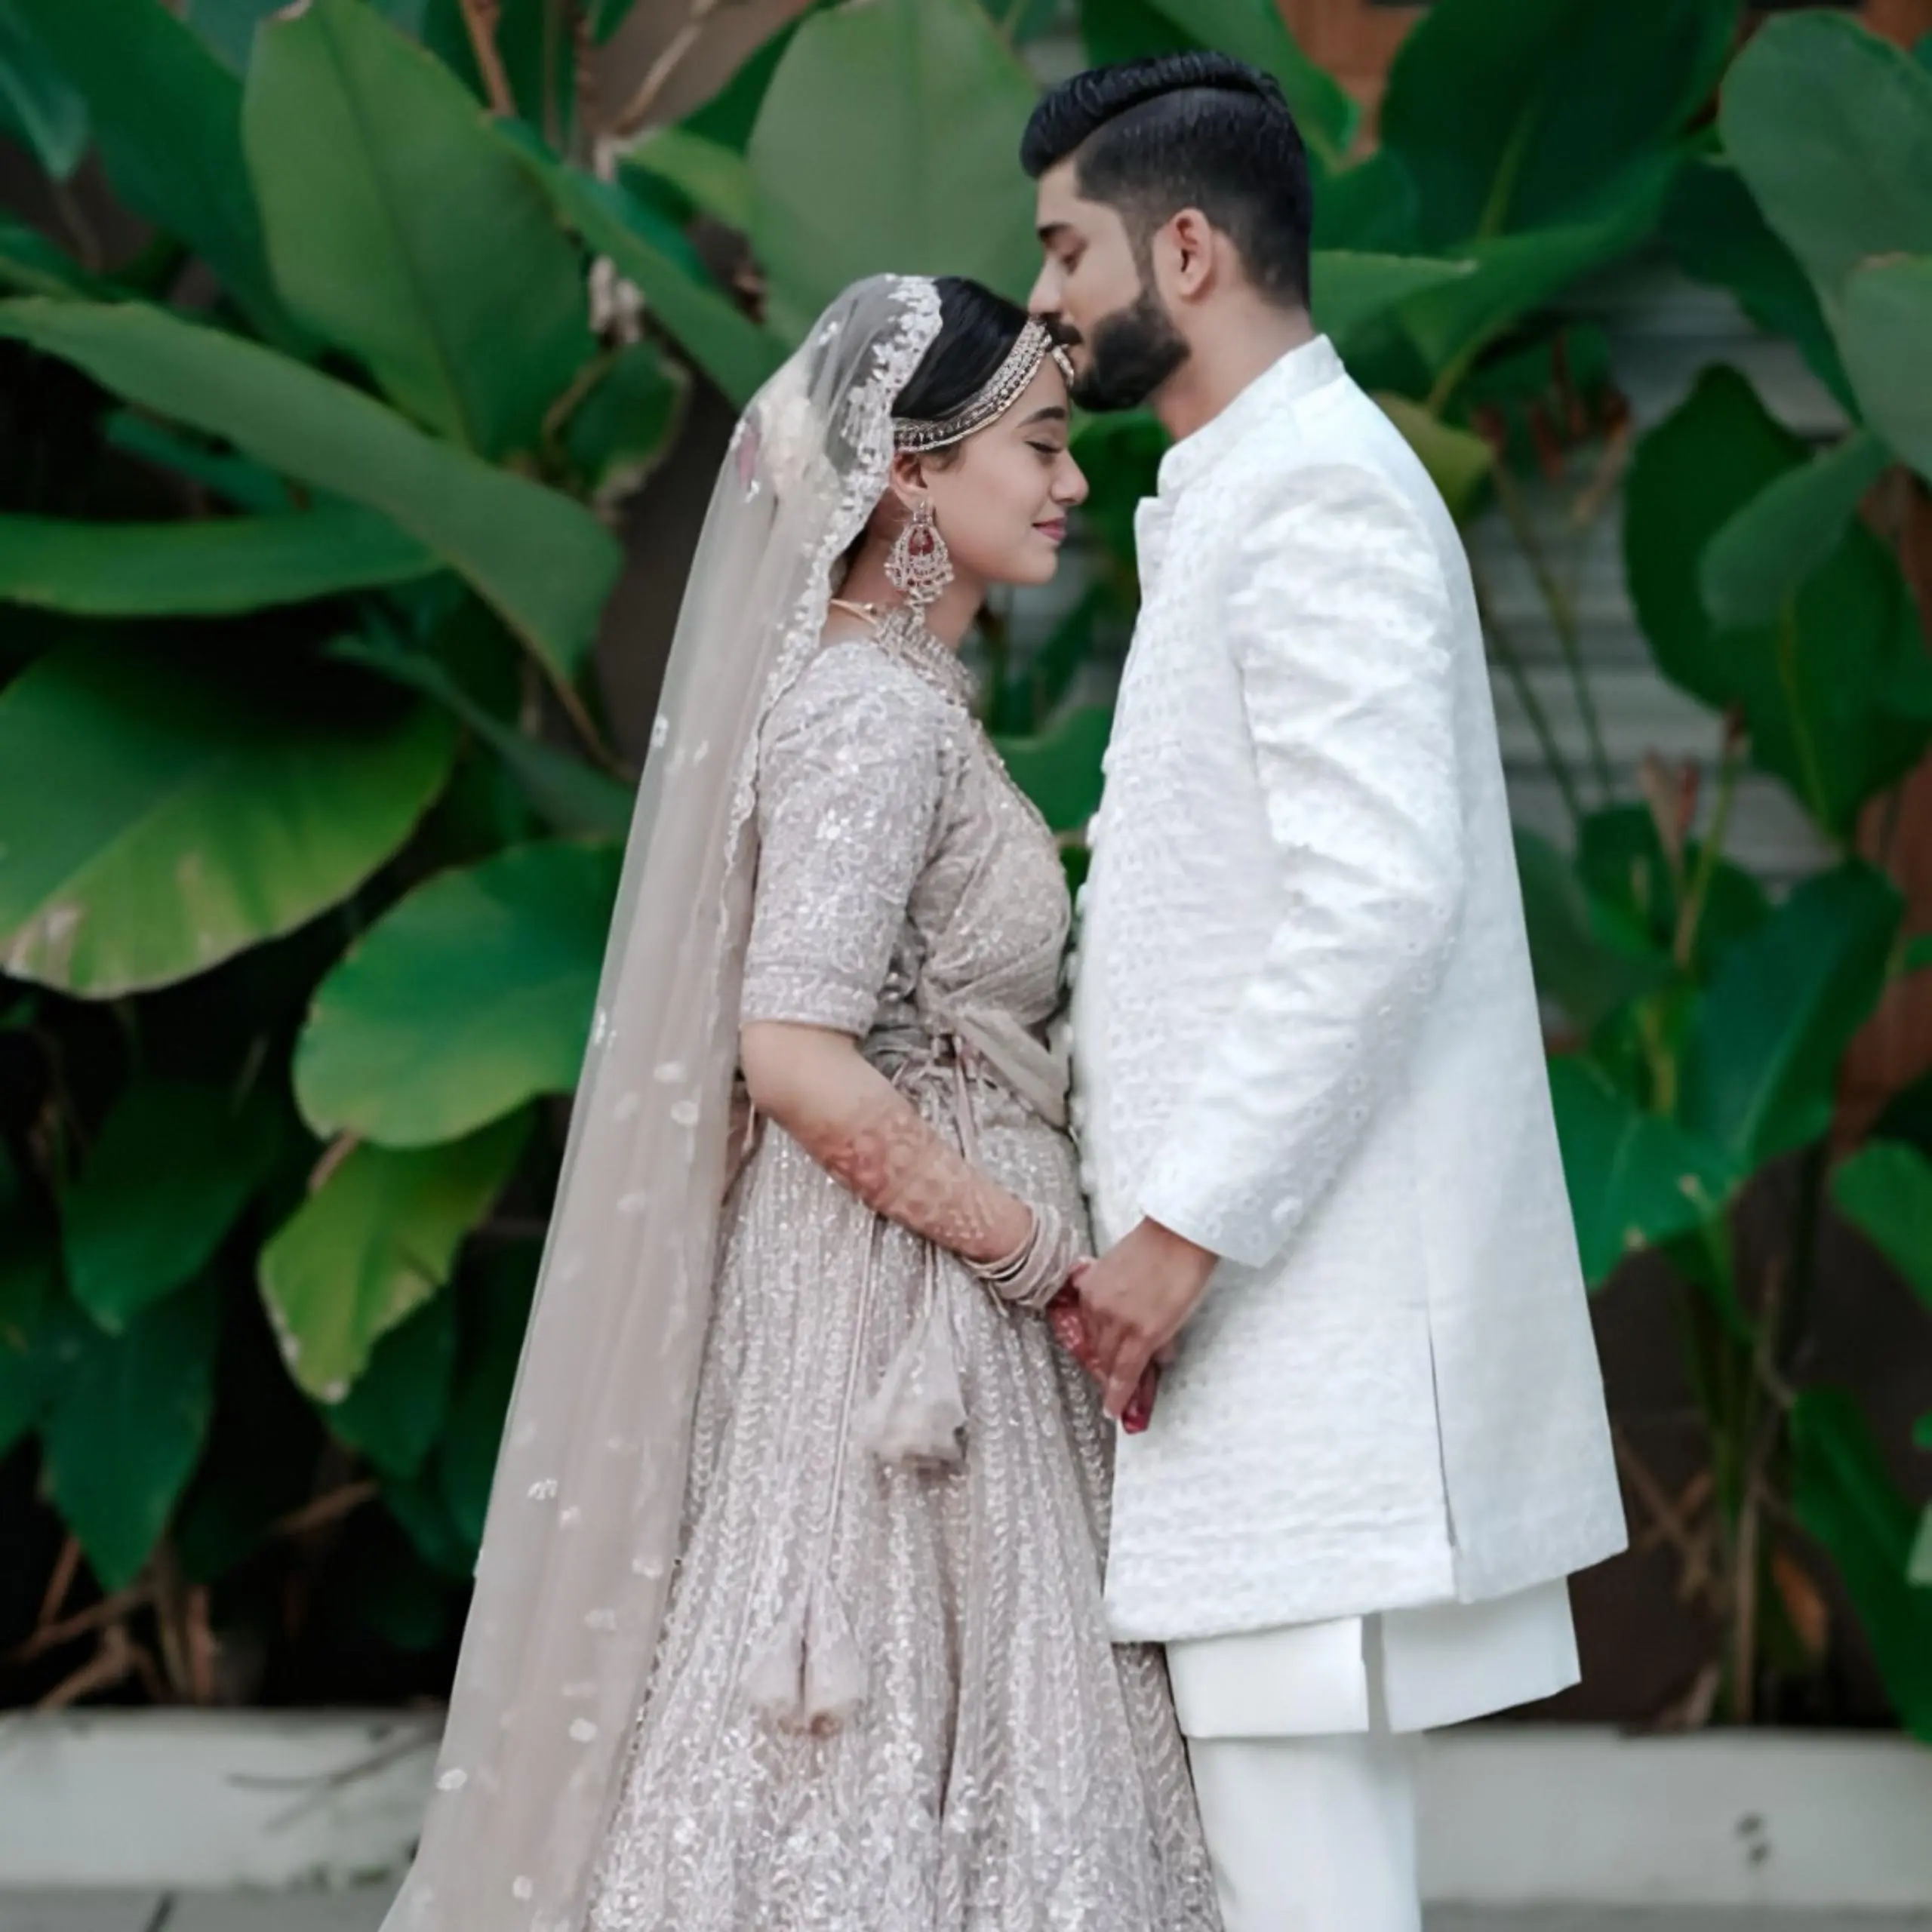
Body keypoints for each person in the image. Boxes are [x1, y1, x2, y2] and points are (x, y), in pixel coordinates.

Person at [377, 273, 1220, 1932]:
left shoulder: (897, 697)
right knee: (852, 1721)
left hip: (904, 1289)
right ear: (910, 469)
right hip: (895, 1311)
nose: (1067, 482)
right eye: (1039, 444)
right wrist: (1033, 1254)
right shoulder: (867, 713)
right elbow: (795, 1050)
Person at [1023, 54, 1631, 1932]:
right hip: (1279, 1337)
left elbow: (1382, 901)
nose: (1041, 299)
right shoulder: (1251, 483)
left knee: (1303, 1877)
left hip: (1307, 1325)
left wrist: (1176, 1233)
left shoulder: (1316, 497)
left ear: (1182, 249)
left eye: (1062, 249)